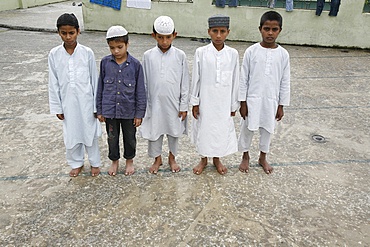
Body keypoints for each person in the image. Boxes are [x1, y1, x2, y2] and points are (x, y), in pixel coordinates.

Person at [48, 13, 101, 177]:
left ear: (78, 31)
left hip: (86, 102)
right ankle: (76, 163)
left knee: (89, 133)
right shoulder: (54, 54)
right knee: (71, 134)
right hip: (67, 103)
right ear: (58, 33)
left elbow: (95, 79)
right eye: (64, 33)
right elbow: (53, 82)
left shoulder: (87, 53)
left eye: (71, 32)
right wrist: (57, 106)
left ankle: (95, 163)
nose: (68, 36)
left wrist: (96, 105)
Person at [238, 11, 290, 174]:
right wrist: (242, 102)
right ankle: (245, 156)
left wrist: (281, 105)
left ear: (280, 30)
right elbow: (243, 79)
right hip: (252, 99)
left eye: (274, 29)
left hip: (271, 100)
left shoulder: (283, 54)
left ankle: (262, 157)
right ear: (260, 29)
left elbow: (285, 81)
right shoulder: (251, 51)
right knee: (247, 129)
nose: (270, 33)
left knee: (267, 130)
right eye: (266, 28)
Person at [190, 14, 240, 175]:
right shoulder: (201, 52)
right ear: (209, 31)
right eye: (215, 31)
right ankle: (203, 159)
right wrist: (195, 102)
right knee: (204, 129)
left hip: (224, 102)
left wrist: (234, 105)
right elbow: (196, 79)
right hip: (206, 99)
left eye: (222, 31)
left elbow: (235, 80)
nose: (218, 35)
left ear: (228, 32)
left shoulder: (232, 54)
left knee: (220, 130)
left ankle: (217, 158)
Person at [139, 16, 189, 174]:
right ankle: (157, 159)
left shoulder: (180, 56)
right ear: (154, 36)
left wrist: (183, 105)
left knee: (174, 131)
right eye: (160, 37)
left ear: (175, 35)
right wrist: (144, 104)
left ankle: (172, 158)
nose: (164, 41)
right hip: (154, 102)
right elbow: (145, 81)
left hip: (174, 102)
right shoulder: (148, 55)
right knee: (155, 131)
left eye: (168, 37)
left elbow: (185, 82)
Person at [96, 25, 146, 176]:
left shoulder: (136, 65)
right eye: (112, 48)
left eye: (120, 47)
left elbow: (140, 91)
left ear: (127, 44)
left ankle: (129, 161)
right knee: (112, 138)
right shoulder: (105, 63)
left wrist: (139, 114)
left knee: (130, 138)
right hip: (110, 111)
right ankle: (114, 161)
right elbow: (100, 87)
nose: (116, 51)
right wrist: (99, 110)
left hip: (129, 111)